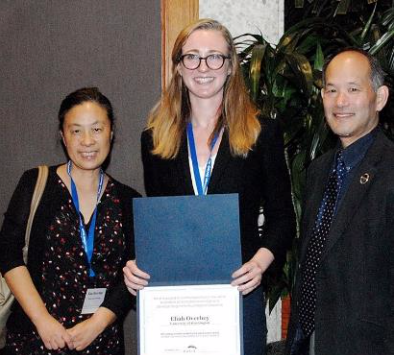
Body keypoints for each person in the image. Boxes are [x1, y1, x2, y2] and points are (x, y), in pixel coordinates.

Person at [123, 19, 295, 355]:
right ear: (178, 67)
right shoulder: (155, 141)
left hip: (238, 292)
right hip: (175, 297)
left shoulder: (263, 134)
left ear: (230, 66)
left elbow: (283, 217)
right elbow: (162, 224)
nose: (203, 67)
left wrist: (260, 263)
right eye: (192, 57)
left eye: (214, 56)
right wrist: (135, 264)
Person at [0, 87, 141, 355]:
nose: (87, 141)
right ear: (63, 137)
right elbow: (8, 254)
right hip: (35, 339)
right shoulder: (35, 183)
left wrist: (98, 323)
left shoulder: (128, 200)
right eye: (76, 130)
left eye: (97, 129)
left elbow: (133, 274)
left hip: (102, 342)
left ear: (111, 132)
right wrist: (43, 321)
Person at [286, 48, 392, 355]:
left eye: (353, 89)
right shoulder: (319, 171)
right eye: (331, 90)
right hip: (310, 341)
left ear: (380, 98)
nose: (340, 101)